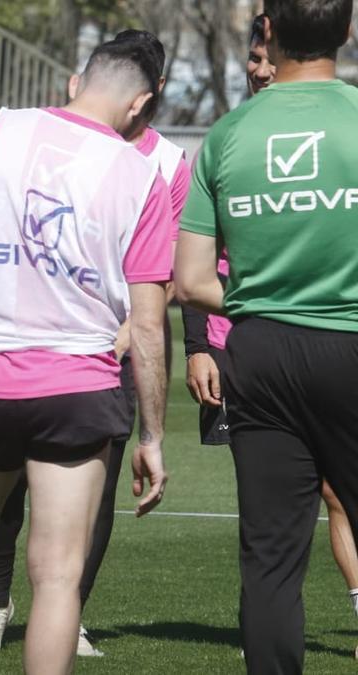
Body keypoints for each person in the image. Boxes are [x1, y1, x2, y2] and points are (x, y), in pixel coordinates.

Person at [0, 34, 171, 675]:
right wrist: (154, 435)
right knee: (57, 576)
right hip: (79, 388)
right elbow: (146, 324)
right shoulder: (144, 175)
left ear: (74, 82)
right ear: (141, 105)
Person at [0, 29, 191, 659]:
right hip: (25, 346)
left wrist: (117, 338)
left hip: (114, 353)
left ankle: (70, 612)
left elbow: (163, 276)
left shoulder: (168, 165)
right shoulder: (43, 139)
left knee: (91, 498)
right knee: (4, 488)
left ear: (144, 100)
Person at [175, 1, 358, 671]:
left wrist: (269, 296)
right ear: (347, 32)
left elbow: (191, 280)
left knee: (272, 561)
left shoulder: (226, 135)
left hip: (261, 353)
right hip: (351, 340)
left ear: (270, 33)